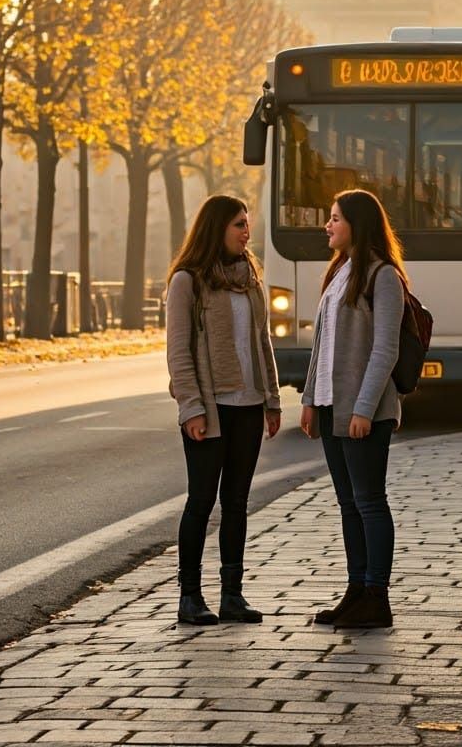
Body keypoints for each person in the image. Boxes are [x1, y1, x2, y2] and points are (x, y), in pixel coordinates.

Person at [165, 195, 281, 626]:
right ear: (217, 228)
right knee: (200, 501)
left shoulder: (250, 278)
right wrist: (191, 408)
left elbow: (262, 342)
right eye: (238, 224)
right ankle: (190, 597)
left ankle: (232, 595)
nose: (246, 231)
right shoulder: (188, 281)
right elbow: (179, 351)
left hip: (249, 406)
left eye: (247, 224)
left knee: (236, 503)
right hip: (210, 410)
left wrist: (271, 399)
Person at [299, 188, 406, 629]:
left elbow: (385, 349)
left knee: (370, 502)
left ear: (357, 225)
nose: (328, 225)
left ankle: (377, 598)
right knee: (348, 504)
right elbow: (321, 346)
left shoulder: (383, 276)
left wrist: (364, 407)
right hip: (330, 406)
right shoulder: (339, 272)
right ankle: (356, 590)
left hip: (364, 412)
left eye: (335, 218)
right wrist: (308, 400)